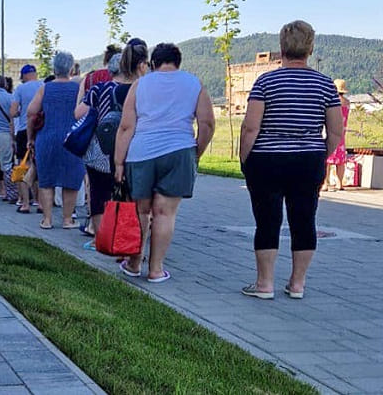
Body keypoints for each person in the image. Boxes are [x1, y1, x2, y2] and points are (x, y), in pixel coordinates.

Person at [239, 21, 343, 300]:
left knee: (267, 221)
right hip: (308, 160)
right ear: (310, 48)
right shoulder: (325, 84)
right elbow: (335, 131)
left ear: (281, 48)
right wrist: (320, 153)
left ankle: (264, 284)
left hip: (267, 159)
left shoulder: (265, 82)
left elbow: (251, 127)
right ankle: (297, 284)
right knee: (304, 220)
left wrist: (245, 158)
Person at [114, 43, 215, 283]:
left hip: (141, 153)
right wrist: (196, 152)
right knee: (165, 213)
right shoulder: (194, 83)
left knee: (141, 211)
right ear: (178, 63)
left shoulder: (140, 85)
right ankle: (156, 269)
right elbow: (207, 124)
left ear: (153, 63)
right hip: (179, 151)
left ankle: (134, 263)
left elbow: (126, 127)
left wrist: (119, 163)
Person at [75, 41, 149, 249]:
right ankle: (129, 244)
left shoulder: (99, 89)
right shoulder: (143, 90)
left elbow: (78, 114)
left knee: (98, 194)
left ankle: (101, 240)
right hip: (133, 148)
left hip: (101, 149)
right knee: (132, 198)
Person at [27, 52, 85, 229]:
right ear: (71, 69)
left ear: (54, 68)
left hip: (47, 138)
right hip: (72, 140)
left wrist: (30, 138)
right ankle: (67, 220)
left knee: (46, 179)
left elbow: (31, 112)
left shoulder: (45, 88)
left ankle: (47, 219)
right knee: (71, 180)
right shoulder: (78, 89)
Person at [11, 64, 42, 213]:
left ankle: (25, 203)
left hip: (24, 130)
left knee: (23, 166)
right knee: (39, 167)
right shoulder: (44, 86)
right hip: (40, 129)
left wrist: (20, 112)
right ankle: (40, 202)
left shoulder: (20, 89)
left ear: (24, 76)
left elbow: (13, 112)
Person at [323, 79, 351, 192]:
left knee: (327, 159)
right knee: (341, 160)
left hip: (331, 130)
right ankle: (339, 183)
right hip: (342, 133)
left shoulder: (332, 101)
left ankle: (325, 183)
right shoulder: (347, 102)